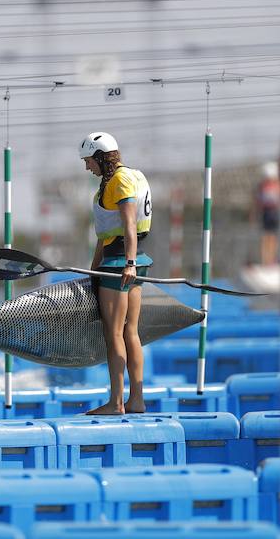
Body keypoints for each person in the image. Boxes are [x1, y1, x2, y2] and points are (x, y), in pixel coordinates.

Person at [80, 132, 153, 415]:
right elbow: (104, 235)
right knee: (130, 332)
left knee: (115, 334)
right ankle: (136, 401)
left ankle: (117, 402)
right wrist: (92, 270)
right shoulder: (124, 179)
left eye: (89, 161)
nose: (87, 167)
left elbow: (129, 224)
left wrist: (129, 263)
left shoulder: (120, 181)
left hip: (120, 265)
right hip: (122, 262)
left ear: (100, 157)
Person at [251, 161, 280, 265]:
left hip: (275, 212)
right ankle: (266, 260)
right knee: (266, 237)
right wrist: (255, 214)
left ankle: (271, 259)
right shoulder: (262, 186)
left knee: (273, 238)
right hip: (267, 213)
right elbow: (257, 202)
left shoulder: (278, 185)